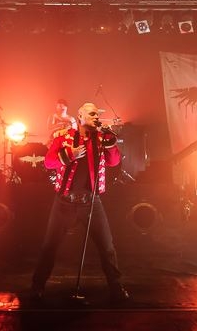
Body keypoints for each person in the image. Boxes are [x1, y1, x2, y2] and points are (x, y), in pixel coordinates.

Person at [30, 102, 129, 305]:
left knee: (107, 248)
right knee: (49, 246)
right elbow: (48, 162)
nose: (96, 116)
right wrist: (70, 155)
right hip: (64, 203)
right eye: (92, 113)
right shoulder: (63, 137)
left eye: (97, 114)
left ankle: (116, 287)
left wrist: (110, 142)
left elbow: (114, 162)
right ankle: (37, 287)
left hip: (91, 203)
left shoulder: (101, 139)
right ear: (80, 116)